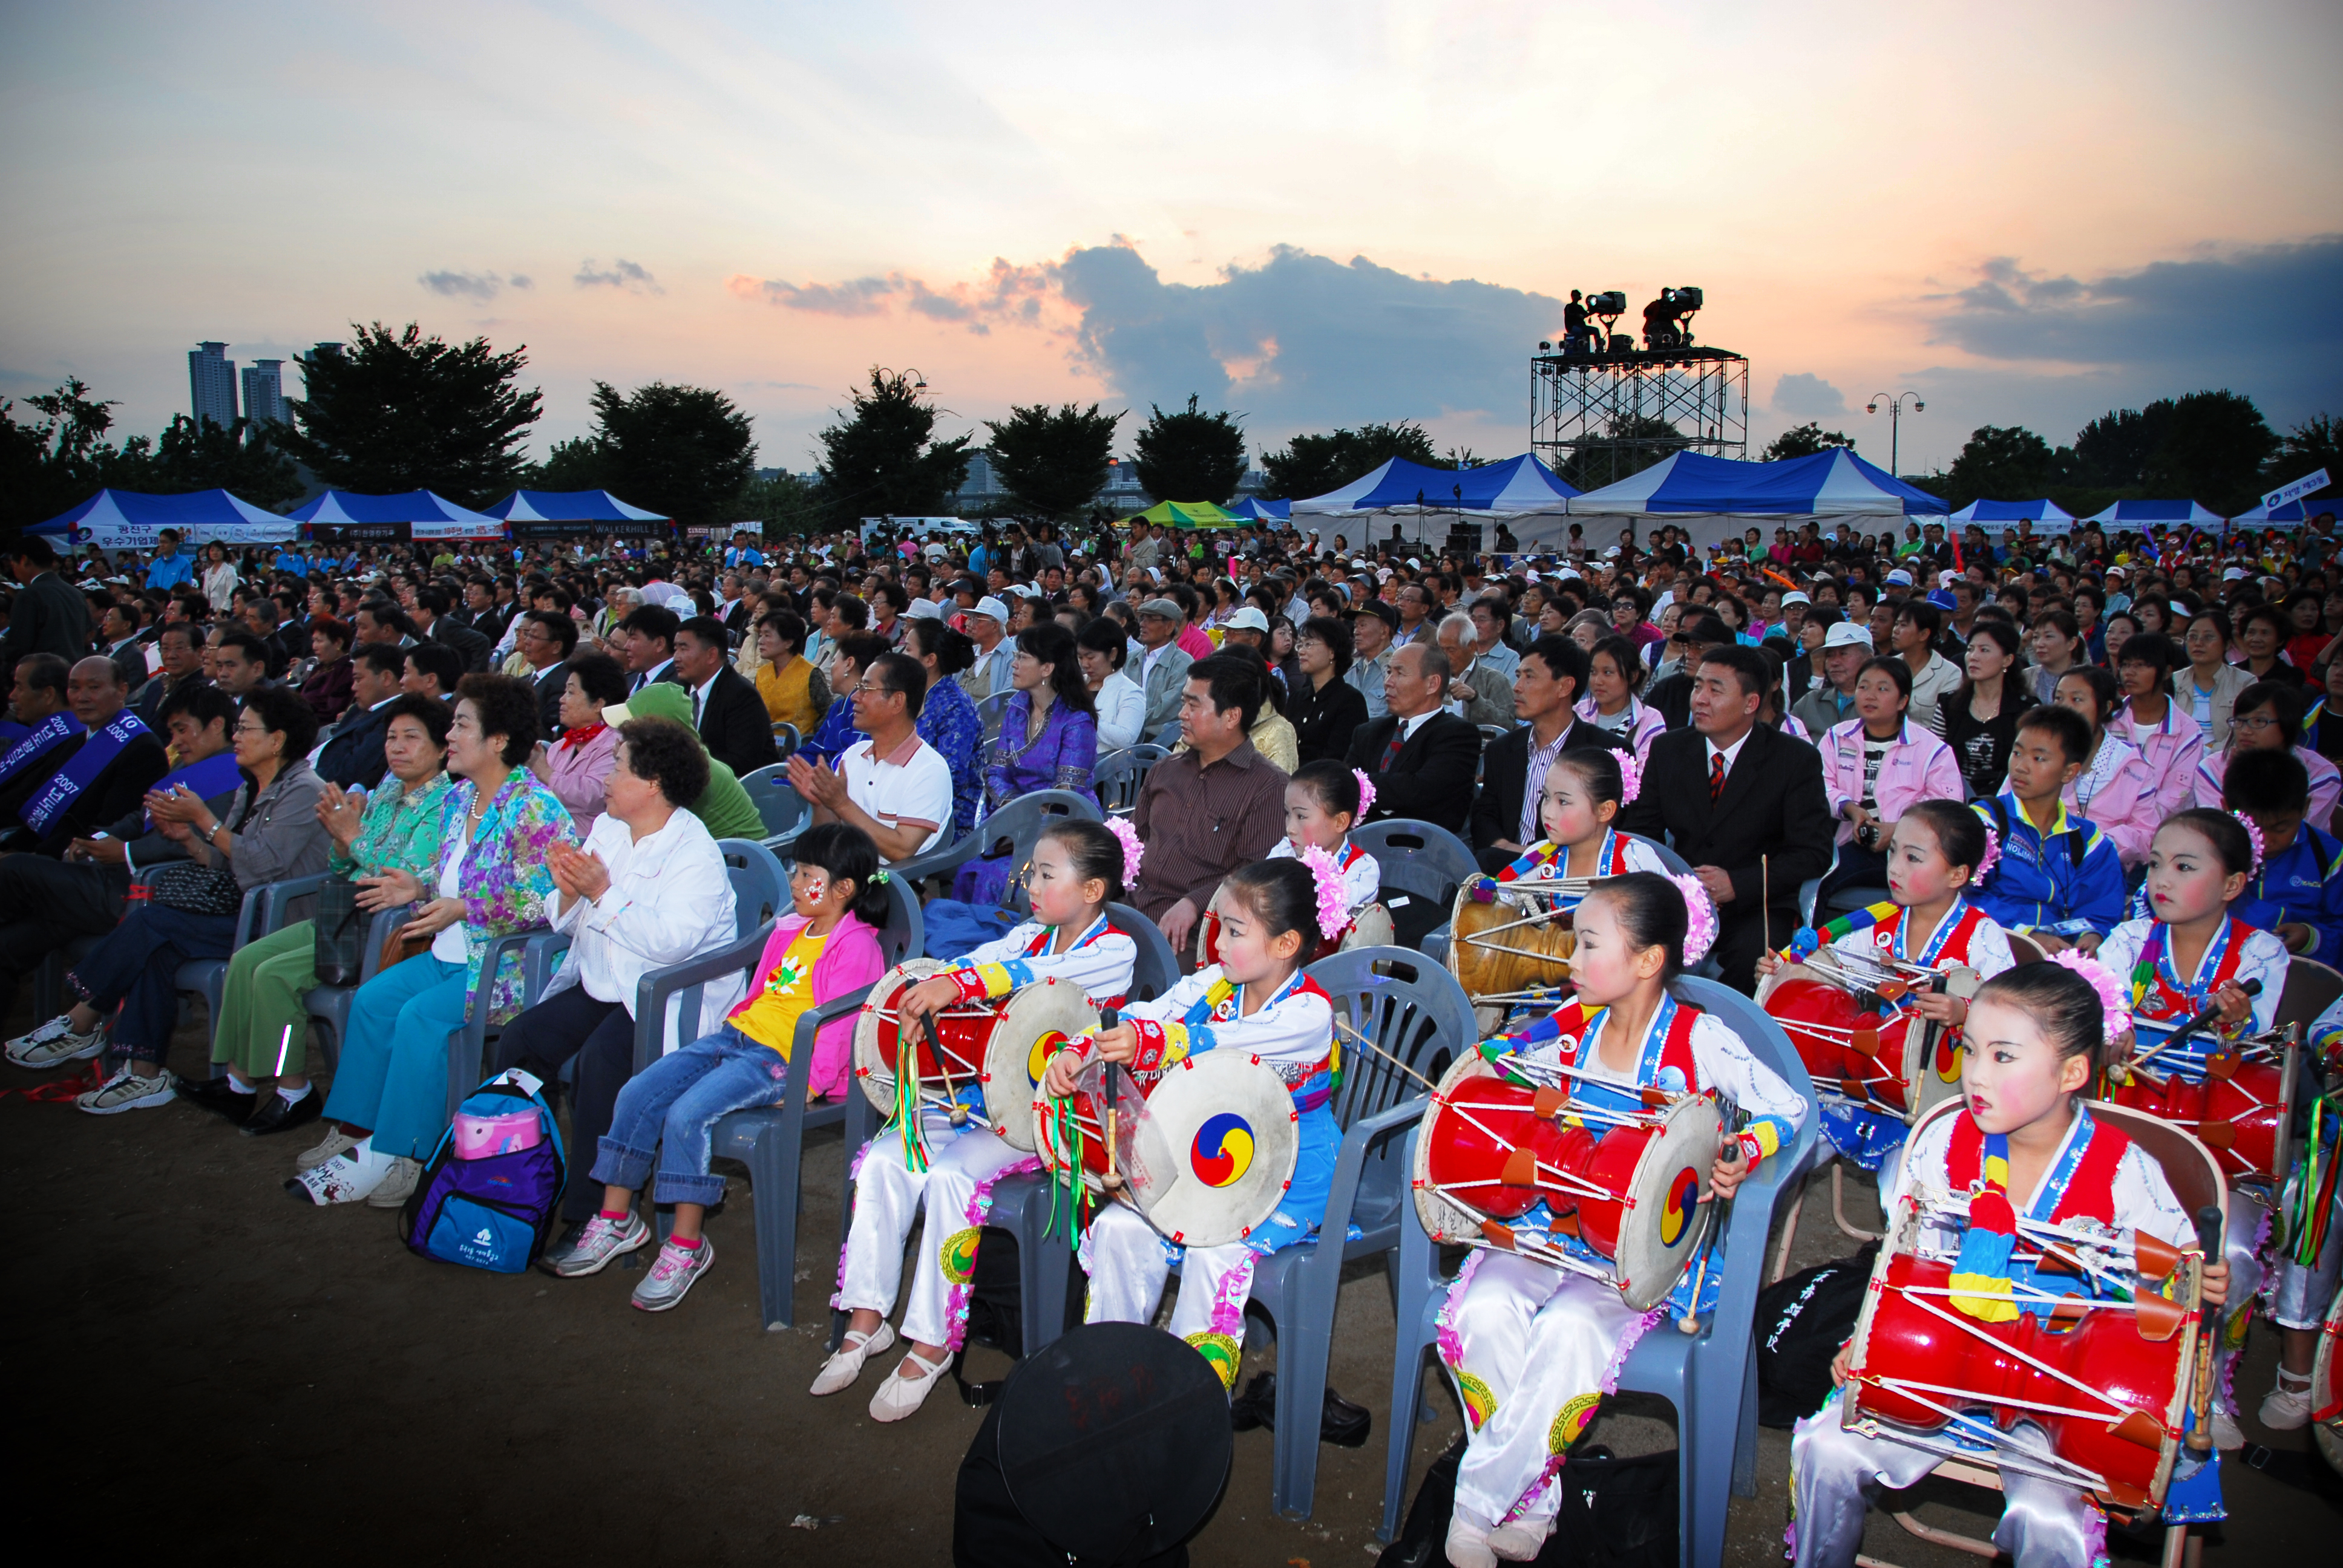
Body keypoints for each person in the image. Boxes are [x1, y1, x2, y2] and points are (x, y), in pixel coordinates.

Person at [1788, 960, 2227, 1567]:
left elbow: (2174, 1282)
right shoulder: (1943, 1141)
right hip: (1936, 1362)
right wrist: (1863, 1342)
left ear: (2072, 1072)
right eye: (1969, 1050)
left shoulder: (2123, 1170)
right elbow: (1905, 1267)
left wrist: (2198, 1281)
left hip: (2057, 1397)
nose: (1973, 1075)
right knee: (1824, 1447)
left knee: (2052, 1523)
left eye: (2002, 1057)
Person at [1441, 874, 1805, 1567]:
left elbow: (1786, 1109)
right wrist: (1499, 1075)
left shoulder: (1700, 1039)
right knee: (1481, 1310)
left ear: (1647, 961)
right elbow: (1504, 1094)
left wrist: (1742, 1149)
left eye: (1586, 944)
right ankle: (1535, 1500)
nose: (1567, 960)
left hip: (1632, 1249)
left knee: (1570, 1329)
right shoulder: (1565, 1030)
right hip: (1552, 1224)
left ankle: (1475, 1502)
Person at [818, 821, 1138, 1417]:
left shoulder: (1113, 950)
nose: (1031, 885)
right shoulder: (1023, 937)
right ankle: (866, 1316)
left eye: (1046, 874)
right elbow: (975, 961)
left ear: (1093, 890)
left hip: (1050, 1116)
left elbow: (1033, 981)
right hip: (987, 1101)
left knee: (950, 1176)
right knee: (890, 1157)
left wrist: (962, 983)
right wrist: (940, 981)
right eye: (1031, 873)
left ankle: (933, 1341)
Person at [540, 821, 885, 1307]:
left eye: (807, 873)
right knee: (638, 1091)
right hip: (736, 1039)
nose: (793, 881)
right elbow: (761, 991)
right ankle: (617, 1218)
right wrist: (731, 1029)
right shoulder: (789, 929)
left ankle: (687, 1244)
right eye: (794, 869)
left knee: (688, 1112)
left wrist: (811, 1081)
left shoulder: (856, 947)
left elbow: (841, 1025)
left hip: (783, 1059)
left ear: (843, 888)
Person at [1049, 856, 1346, 1391]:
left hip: (1290, 1168)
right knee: (1117, 1225)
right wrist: (1082, 1048)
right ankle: (1110, 1374)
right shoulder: (1215, 984)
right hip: (1210, 1156)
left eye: (1236, 932)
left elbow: (1233, 1044)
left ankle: (1190, 1399)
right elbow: (1148, 1015)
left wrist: (1157, 1044)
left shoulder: (1309, 1014)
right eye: (1220, 928)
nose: (1220, 945)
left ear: (1285, 945)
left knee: (1217, 1252)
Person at [288, 675, 577, 1206]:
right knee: (374, 1002)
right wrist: (417, 887)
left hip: (500, 968)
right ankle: (358, 1132)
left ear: (497, 740)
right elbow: (446, 879)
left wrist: (470, 908)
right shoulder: (459, 799)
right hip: (446, 953)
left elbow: (554, 902)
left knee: (419, 1016)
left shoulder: (536, 810)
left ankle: (408, 1153)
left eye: (462, 724)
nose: (451, 735)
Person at [491, 717, 744, 1265]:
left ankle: (597, 1214)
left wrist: (602, 892)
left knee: (601, 1063)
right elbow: (567, 920)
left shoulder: (693, 853)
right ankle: (522, 1179)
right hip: (607, 980)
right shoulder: (608, 828)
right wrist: (567, 893)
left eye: (617, 766)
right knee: (521, 1041)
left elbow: (672, 945)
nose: (606, 775)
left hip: (668, 996)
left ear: (651, 784)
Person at [7, 687, 330, 1113]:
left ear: (277, 740)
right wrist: (191, 841)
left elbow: (263, 864)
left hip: (280, 921)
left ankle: (82, 1020)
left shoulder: (304, 790)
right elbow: (225, 862)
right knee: (157, 945)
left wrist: (204, 820)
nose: (236, 737)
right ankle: (143, 1074)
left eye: (246, 729)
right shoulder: (251, 786)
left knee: (153, 924)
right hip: (243, 909)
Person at [2094, 809, 2287, 1447]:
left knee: (2225, 1256)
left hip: (2216, 1143)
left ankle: (2206, 1382)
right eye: (2153, 864)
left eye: (2183, 866)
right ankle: (2115, 1366)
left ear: (2232, 886)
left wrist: (2235, 1027)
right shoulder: (2126, 942)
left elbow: (2257, 1064)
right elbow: (2100, 1021)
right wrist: (2109, 1038)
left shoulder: (2259, 954)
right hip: (2129, 1128)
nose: (2160, 879)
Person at [179, 694, 456, 1135]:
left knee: (273, 976)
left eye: (411, 738)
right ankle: (238, 1082)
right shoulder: (385, 790)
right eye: (391, 737)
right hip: (346, 913)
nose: (397, 747)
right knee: (246, 960)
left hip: (386, 928)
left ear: (443, 749)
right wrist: (344, 844)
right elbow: (341, 865)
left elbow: (402, 877)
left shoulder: (446, 803)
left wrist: (354, 837)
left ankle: (295, 1091)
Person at [1758, 799, 2014, 1174]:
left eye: (1914, 858)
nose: (1894, 867)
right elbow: (1826, 967)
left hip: (1936, 1101)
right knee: (1786, 1155)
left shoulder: (1982, 937)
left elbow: (2013, 1015)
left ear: (1958, 875)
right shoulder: (1877, 925)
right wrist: (1781, 969)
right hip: (1860, 1081)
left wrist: (1963, 1011)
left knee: (1903, 1188)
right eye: (1893, 852)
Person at [1618, 646, 1835, 993]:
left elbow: (1813, 852)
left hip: (1757, 901)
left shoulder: (1794, 760)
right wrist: (1676, 882)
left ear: (1751, 703)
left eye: (1715, 690)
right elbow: (1643, 833)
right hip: (1679, 893)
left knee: (1752, 960)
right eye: (1697, 686)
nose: (1699, 700)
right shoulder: (1669, 750)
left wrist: (1738, 883)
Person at [1127, 655, 1290, 955]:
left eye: (1193, 705)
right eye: (1183, 703)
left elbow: (1254, 877)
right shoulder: (1165, 770)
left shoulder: (1268, 787)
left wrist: (1194, 902)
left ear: (1231, 717)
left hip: (1194, 936)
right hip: (1130, 910)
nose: (1182, 714)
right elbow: (1133, 843)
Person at [1966, 706, 2127, 953]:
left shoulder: (2088, 841)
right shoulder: (1986, 821)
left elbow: (2101, 906)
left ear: (2070, 772)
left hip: (2058, 955)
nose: (2020, 767)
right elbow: (1964, 892)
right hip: (1991, 945)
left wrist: (2092, 934)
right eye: (2017, 753)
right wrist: (2026, 934)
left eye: (2038, 758)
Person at [1815, 656, 1963, 907]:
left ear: (1903, 701)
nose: (1870, 696)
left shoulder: (1931, 749)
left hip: (1912, 849)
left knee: (1827, 879)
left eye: (1882, 689)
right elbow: (1820, 785)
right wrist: (1851, 809)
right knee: (1815, 877)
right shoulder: (1836, 737)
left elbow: (1946, 807)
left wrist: (1897, 829)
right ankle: (1810, 944)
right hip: (1849, 840)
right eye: (1863, 687)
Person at [1473, 637, 1629, 871]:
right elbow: (1485, 812)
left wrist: (1534, 855)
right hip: (1503, 866)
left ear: (1564, 687)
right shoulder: (1503, 748)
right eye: (1518, 676)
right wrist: (1502, 845)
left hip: (1571, 873)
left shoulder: (1604, 751)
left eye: (1530, 677)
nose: (1517, 687)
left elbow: (1612, 832)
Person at [787, 650, 954, 864]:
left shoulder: (929, 770)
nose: (855, 697)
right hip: (843, 875)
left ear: (897, 701)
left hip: (887, 886)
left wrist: (842, 804)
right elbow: (829, 835)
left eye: (865, 688)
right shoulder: (854, 755)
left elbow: (902, 850)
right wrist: (820, 803)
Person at [1486, 745, 1671, 896]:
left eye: (1563, 801)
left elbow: (1668, 917)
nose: (1548, 813)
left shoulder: (1634, 858)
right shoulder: (1538, 857)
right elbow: (1503, 901)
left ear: (1605, 811)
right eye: (1546, 797)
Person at [1342, 641, 1480, 836]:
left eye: (1400, 673)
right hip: (1360, 842)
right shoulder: (1368, 732)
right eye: (1389, 672)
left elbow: (1422, 791)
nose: (1388, 682)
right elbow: (1342, 788)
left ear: (1432, 684)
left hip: (1422, 850)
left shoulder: (1459, 734)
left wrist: (1358, 785)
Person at [2222, 747, 2343, 963]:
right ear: (2227, 808)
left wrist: (2311, 938)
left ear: (2305, 808)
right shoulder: (2210, 849)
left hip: (2300, 977)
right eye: (2255, 828)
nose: (2267, 841)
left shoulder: (2329, 857)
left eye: (2281, 829)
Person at [2039, 665, 2159, 868]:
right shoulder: (2036, 752)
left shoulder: (2130, 764)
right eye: (2059, 698)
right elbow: (2009, 805)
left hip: (2105, 867)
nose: (2064, 708)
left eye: (2076, 700)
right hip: (2040, 863)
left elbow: (2146, 832)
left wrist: (2095, 845)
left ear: (2105, 707)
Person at [2191, 680, 2339, 832]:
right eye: (2240, 721)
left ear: (2287, 724)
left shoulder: (2322, 776)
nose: (2245, 731)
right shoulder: (2212, 769)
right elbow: (2220, 833)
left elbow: (2294, 833)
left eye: (2259, 721)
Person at [901, 616, 983, 839]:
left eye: (908, 650)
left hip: (948, 815)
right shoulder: (913, 696)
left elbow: (951, 775)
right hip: (906, 797)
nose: (903, 656)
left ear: (930, 660)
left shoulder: (957, 707)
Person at [2105, 631, 2202, 818]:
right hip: (2105, 823)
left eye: (2141, 665)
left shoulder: (2187, 733)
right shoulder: (2109, 720)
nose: (2129, 673)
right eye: (2125, 665)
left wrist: (2137, 825)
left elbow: (2176, 798)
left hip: (2160, 830)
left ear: (2167, 672)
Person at [529, 650, 627, 834]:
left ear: (598, 704)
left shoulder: (616, 744)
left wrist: (545, 773)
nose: (562, 699)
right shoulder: (562, 745)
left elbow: (594, 794)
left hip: (586, 842)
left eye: (571, 692)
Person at [672, 613, 779, 777]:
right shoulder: (681, 690)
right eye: (675, 649)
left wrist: (683, 762)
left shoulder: (741, 696)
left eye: (684, 649)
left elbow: (742, 762)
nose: (676, 657)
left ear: (711, 655)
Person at [1935, 621, 2030, 798]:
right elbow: (1934, 760)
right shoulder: (1949, 705)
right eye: (1970, 649)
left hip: (2006, 803)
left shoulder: (2026, 710)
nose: (1973, 657)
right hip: (1951, 801)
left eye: (1984, 650)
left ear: (2007, 660)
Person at [315, 645, 410, 791]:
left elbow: (352, 769)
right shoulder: (358, 709)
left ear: (386, 678)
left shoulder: (395, 717)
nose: (353, 687)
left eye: (358, 679)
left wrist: (308, 777)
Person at [1286, 615, 1368, 768]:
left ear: (1332, 651)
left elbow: (1337, 760)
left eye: (1309, 644)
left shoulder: (1350, 701)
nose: (1301, 652)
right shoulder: (1297, 699)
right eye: (1300, 645)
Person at [3, 536, 91, 676]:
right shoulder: (76, 593)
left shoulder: (29, 595)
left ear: (24, 560)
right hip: (73, 676)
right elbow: (88, 637)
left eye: (14, 566)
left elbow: (19, 647)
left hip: (41, 679)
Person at [1574, 634, 1665, 760]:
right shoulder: (1576, 712)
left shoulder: (1650, 720)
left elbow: (1645, 772)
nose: (1598, 681)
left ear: (1633, 676)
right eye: (1593, 672)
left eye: (1608, 673)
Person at [2175, 610, 2254, 750]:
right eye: (2192, 637)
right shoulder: (2174, 681)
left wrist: (2211, 752)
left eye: (2209, 637)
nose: (2198, 643)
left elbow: (2248, 731)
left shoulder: (2245, 683)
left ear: (2227, 644)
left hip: (2226, 758)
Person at [752, 609, 829, 737]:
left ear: (788, 642)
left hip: (799, 749)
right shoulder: (762, 674)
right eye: (760, 635)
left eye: (767, 635)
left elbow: (827, 713)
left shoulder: (810, 674)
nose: (761, 641)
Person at [1075, 615, 1145, 753]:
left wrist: (1084, 720)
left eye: (1091, 657)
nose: (1084, 664)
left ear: (1113, 654)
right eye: (1080, 657)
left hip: (1107, 770)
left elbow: (1126, 738)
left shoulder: (1130, 692)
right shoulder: (1077, 684)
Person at [1788, 621, 1870, 737]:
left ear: (1867, 659)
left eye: (1843, 654)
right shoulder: (1810, 702)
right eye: (1830, 655)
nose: (1835, 662)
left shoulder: (1880, 703)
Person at [1434, 612, 1515, 728]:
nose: (1445, 656)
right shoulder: (1432, 676)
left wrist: (1475, 699)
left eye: (1451, 650)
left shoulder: (1495, 681)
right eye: (1442, 649)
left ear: (1472, 646)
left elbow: (1507, 724)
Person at [1130, 596, 1193, 736]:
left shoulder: (1183, 663)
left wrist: (1129, 720)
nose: (1142, 624)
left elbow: (1166, 709)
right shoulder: (1130, 659)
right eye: (1142, 618)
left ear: (1170, 627)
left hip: (1158, 739)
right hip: (1125, 733)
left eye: (1151, 619)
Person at [1345, 599, 1397, 721]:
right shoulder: (1350, 668)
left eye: (1363, 625)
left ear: (1384, 631)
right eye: (1356, 626)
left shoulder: (1400, 669)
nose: (1356, 632)